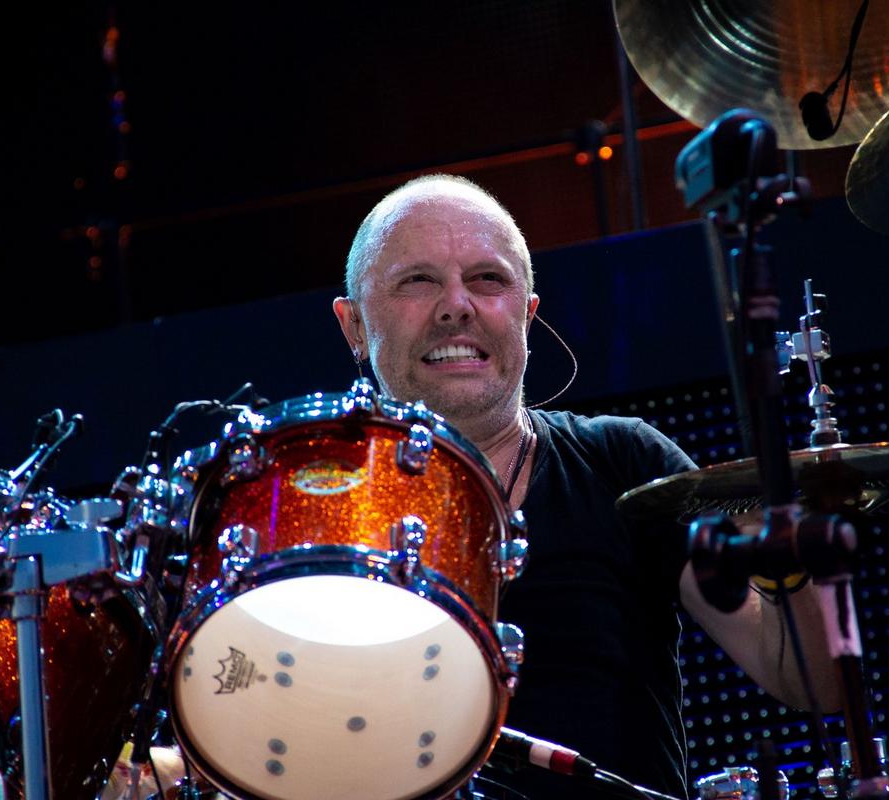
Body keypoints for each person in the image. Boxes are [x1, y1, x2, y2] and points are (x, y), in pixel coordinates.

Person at [332, 174, 842, 799]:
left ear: (527, 315)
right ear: (354, 326)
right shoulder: (317, 510)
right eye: (418, 280)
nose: (456, 305)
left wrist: (796, 559)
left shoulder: (624, 461)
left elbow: (811, 680)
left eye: (488, 279)